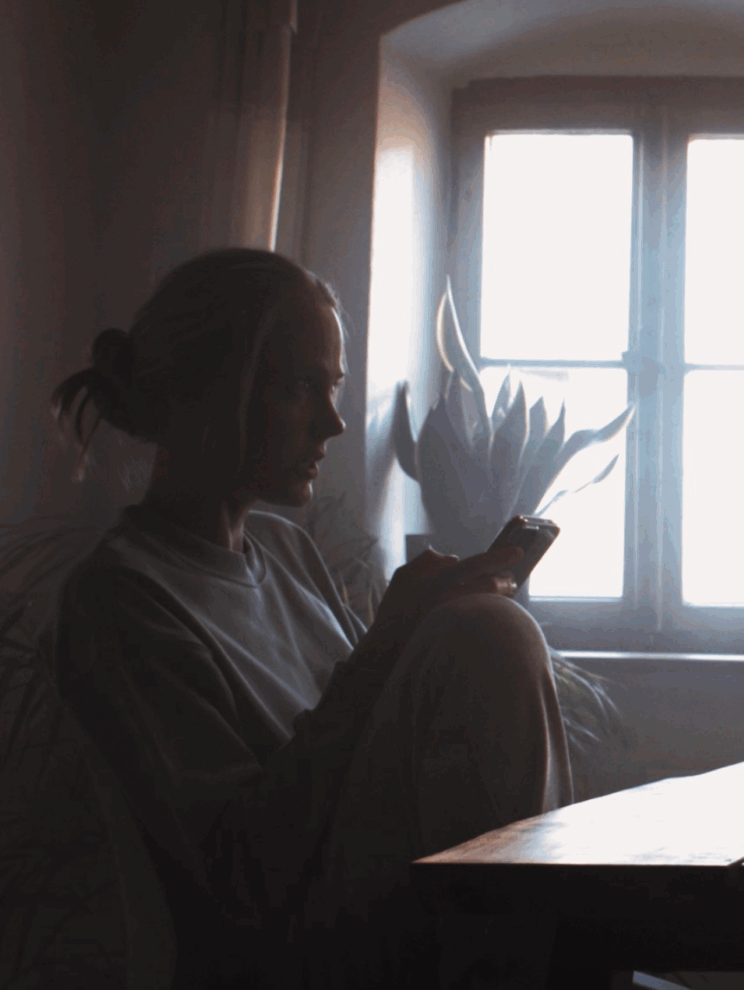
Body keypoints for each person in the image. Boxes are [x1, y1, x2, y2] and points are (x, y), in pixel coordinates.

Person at [48, 247, 572, 989]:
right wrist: (392, 642)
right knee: (487, 636)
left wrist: (418, 638)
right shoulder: (121, 598)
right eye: (301, 386)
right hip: (281, 957)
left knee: (482, 629)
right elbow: (240, 882)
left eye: (335, 388)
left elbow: (372, 749)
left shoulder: (287, 551)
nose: (333, 422)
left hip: (390, 918)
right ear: (211, 389)